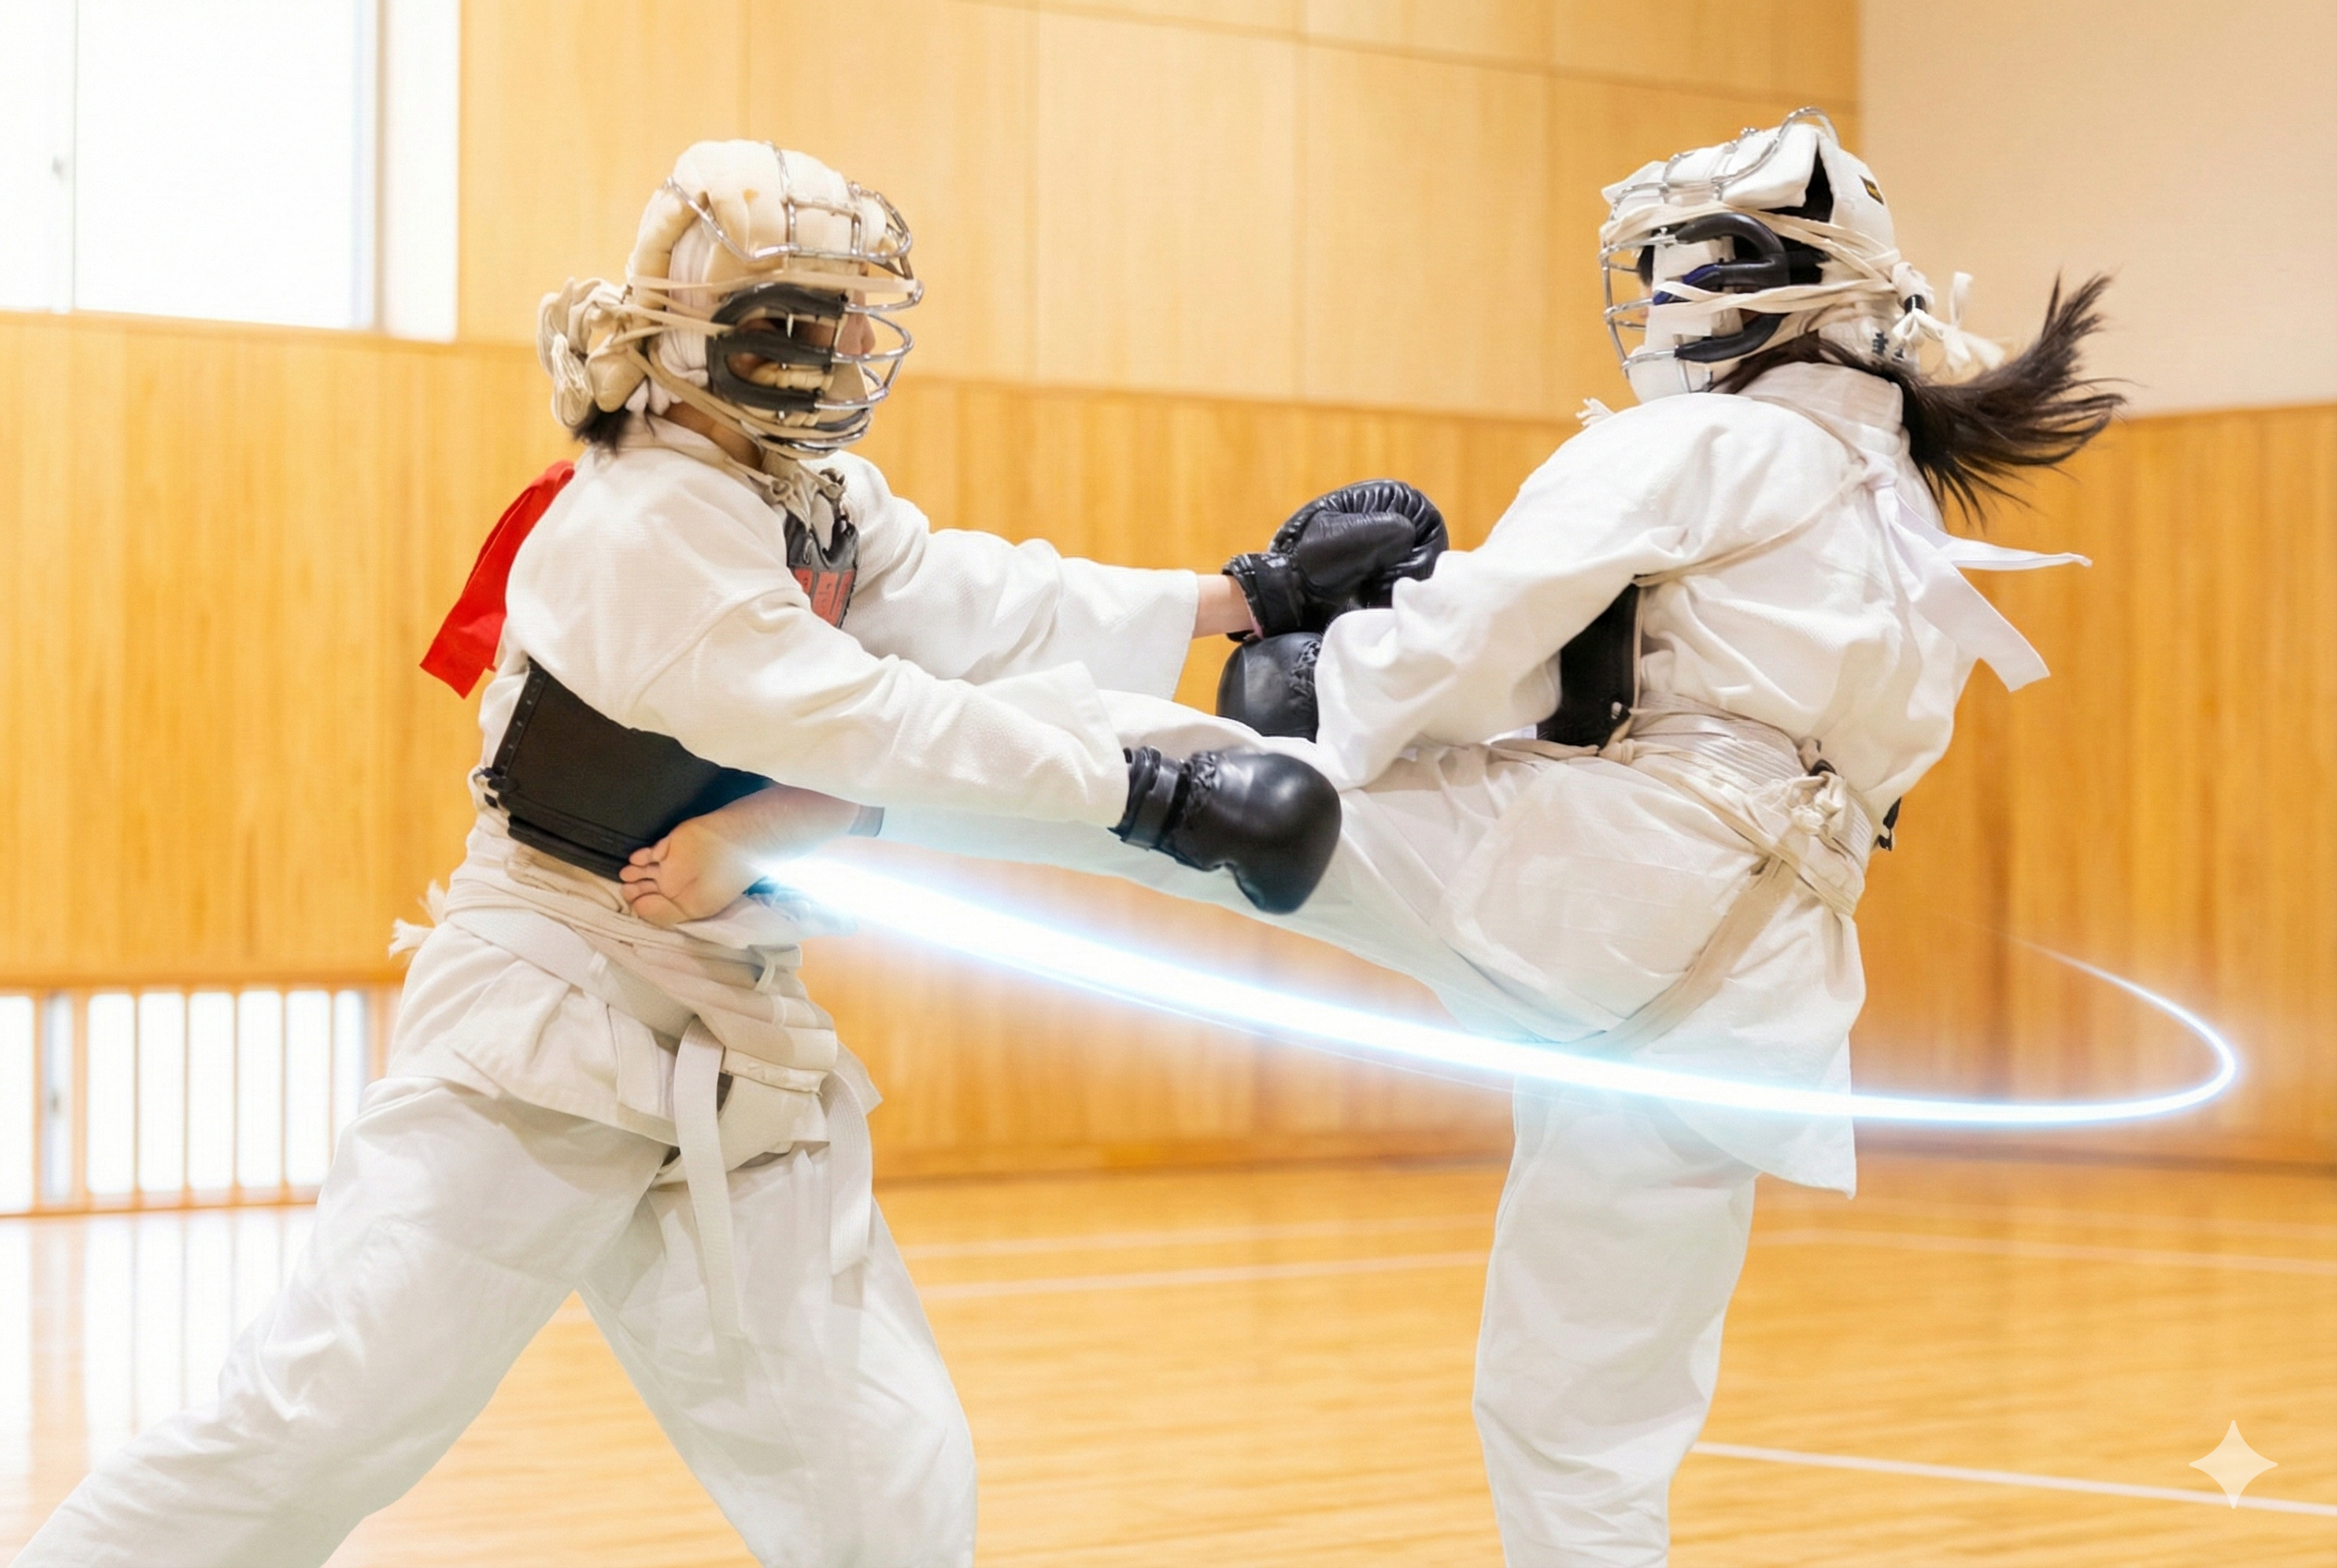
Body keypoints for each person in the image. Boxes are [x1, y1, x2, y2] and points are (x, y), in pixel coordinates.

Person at [628, 110, 2123, 1565]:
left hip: (1605, 893)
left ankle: (820, 820)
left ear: (1757, 285)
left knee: (1179, 777)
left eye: (1681, 266)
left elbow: (1473, 640)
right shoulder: (1900, 505)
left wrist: (1309, 694)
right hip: (1760, 1005)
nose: (1659, 302)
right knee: (1583, 1427)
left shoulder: (1704, 444)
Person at [16, 141, 1370, 1568]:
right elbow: (863, 720)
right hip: (546, 1024)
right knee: (315, 1426)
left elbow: (976, 597)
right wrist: (1138, 787)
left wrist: (1238, 595)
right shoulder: (641, 525)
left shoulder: (810, 499)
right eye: (803, 316)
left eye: (853, 316)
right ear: (694, 325)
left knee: (885, 1488)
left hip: (737, 1037)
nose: (842, 350)